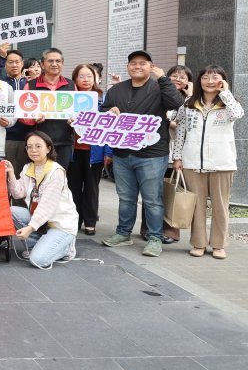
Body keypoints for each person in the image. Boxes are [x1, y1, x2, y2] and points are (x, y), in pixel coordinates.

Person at [101, 50, 186, 257]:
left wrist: (164, 78)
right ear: (128, 66)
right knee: (126, 198)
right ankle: (123, 233)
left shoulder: (160, 87)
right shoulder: (117, 89)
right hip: (122, 153)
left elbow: (177, 104)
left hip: (152, 154)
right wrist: (108, 111)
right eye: (133, 63)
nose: (137, 66)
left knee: (152, 199)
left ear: (151, 66)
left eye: (143, 63)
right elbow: (103, 111)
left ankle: (155, 238)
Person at [172, 66, 244, 259]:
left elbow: (238, 114)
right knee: (197, 205)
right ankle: (199, 243)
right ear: (199, 81)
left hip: (222, 163)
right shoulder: (188, 104)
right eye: (205, 77)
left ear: (223, 80)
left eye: (215, 77)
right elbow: (180, 131)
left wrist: (225, 93)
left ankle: (219, 245)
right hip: (192, 162)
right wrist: (177, 157)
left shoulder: (228, 104)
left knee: (220, 205)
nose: (210, 81)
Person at [4, 131, 78, 269]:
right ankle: (37, 244)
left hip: (60, 225)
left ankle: (66, 248)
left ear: (48, 148)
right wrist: (11, 173)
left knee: (38, 260)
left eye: (38, 146)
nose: (33, 150)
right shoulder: (28, 167)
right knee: (11, 211)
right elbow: (18, 194)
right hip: (42, 222)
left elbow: (47, 206)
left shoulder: (56, 171)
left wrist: (29, 228)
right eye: (29, 147)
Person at [138, 64, 194, 243]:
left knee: (173, 191)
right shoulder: (157, 93)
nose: (178, 79)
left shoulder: (191, 100)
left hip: (178, 153)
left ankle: (170, 231)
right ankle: (148, 229)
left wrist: (190, 96)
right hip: (156, 150)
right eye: (174, 75)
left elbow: (191, 124)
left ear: (189, 82)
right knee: (152, 192)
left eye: (183, 77)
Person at [67, 64, 106, 236]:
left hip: (94, 151)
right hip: (73, 149)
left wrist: (108, 153)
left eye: (89, 76)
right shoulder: (68, 98)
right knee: (73, 187)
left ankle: (90, 221)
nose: (86, 80)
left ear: (96, 78)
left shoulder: (103, 99)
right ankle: (74, 220)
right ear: (75, 79)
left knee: (92, 187)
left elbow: (109, 127)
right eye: (81, 76)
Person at [21, 48, 75, 170]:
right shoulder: (30, 85)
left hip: (64, 141)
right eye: (50, 61)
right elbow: (22, 115)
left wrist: (74, 120)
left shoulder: (71, 85)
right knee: (39, 176)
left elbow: (77, 112)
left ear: (62, 63)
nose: (54, 64)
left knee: (60, 176)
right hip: (38, 143)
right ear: (42, 64)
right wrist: (33, 119)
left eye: (58, 61)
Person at [0, 49, 31, 176]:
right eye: (10, 62)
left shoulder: (30, 83)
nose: (14, 65)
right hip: (7, 137)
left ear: (22, 63)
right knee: (5, 173)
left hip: (27, 136)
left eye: (17, 62)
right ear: (5, 64)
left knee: (24, 174)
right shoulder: (1, 84)